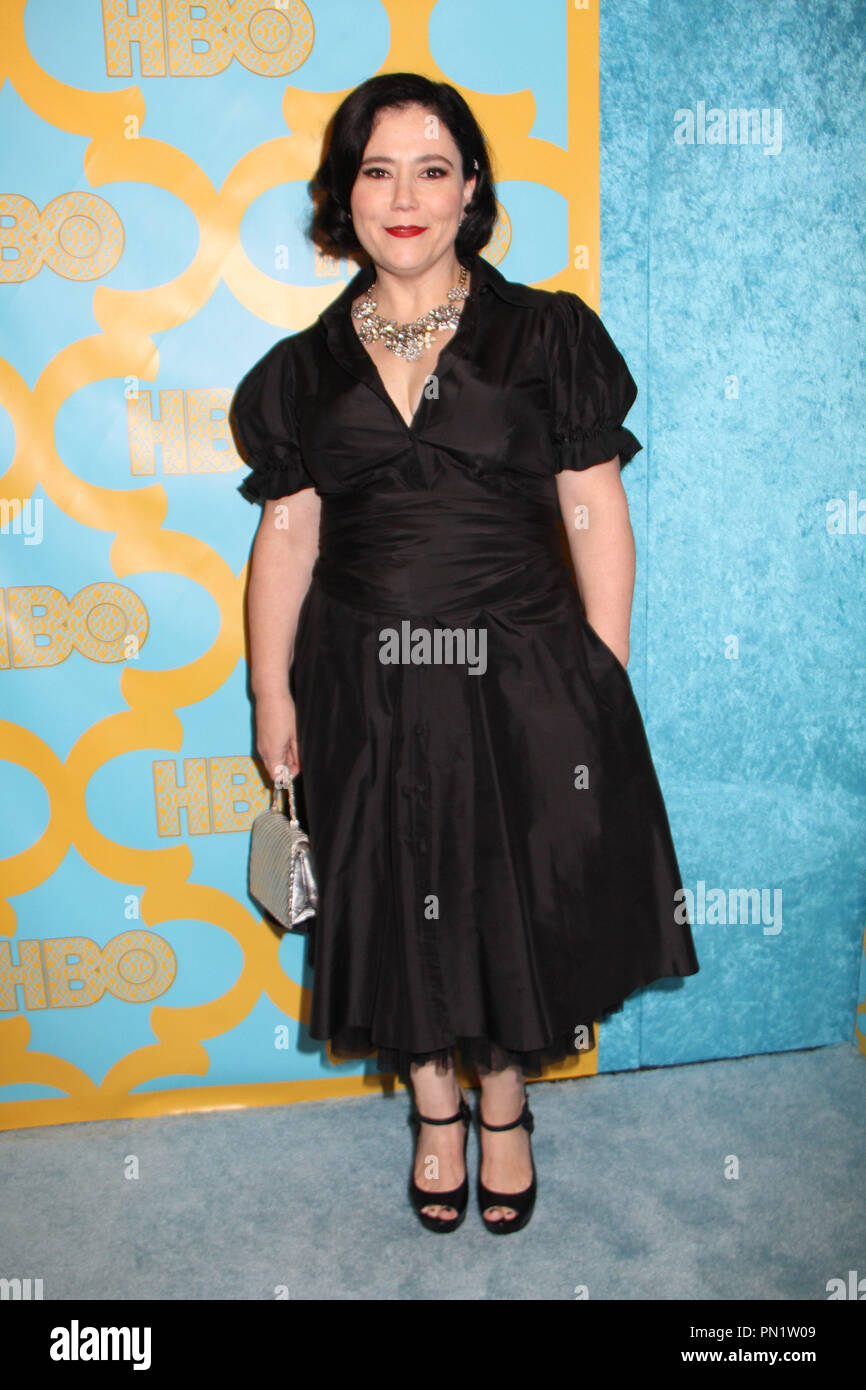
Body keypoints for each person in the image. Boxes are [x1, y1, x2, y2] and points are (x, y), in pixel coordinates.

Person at [230, 72, 699, 1236]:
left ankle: (502, 1110)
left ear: (470, 190)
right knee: (390, 899)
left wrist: (600, 670)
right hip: (362, 681)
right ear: (345, 193)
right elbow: (287, 532)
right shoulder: (301, 368)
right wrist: (266, 685)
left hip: (523, 670)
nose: (404, 195)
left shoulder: (545, 333)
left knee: (513, 901)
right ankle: (431, 1113)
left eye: (431, 168)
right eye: (376, 169)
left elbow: (592, 508)